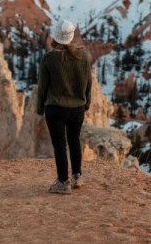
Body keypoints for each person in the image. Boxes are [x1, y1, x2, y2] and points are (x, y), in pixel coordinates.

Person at [37, 19, 92, 195]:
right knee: (74, 141)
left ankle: (63, 182)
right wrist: (87, 102)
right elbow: (88, 83)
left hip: (55, 109)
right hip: (77, 108)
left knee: (60, 145)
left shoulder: (49, 58)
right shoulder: (83, 56)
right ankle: (77, 177)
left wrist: (39, 107)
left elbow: (43, 86)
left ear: (55, 37)